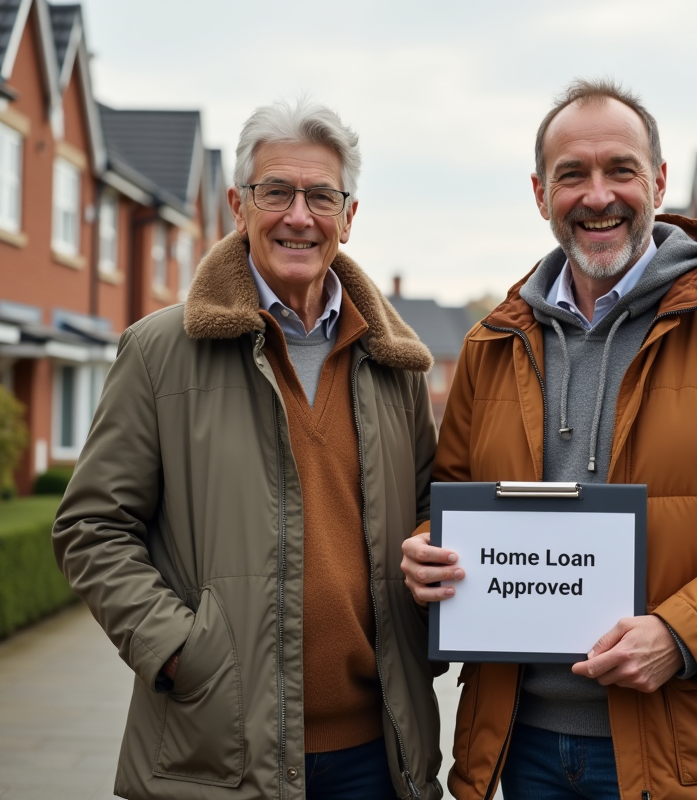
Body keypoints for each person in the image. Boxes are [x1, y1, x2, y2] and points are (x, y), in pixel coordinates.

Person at [401, 79, 697, 800]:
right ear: (541, 194)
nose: (598, 195)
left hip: (685, 744)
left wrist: (681, 635)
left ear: (659, 181)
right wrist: (430, 552)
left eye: (621, 170)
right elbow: (451, 501)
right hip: (523, 744)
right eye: (572, 175)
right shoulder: (491, 343)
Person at [54, 98, 442, 800]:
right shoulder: (159, 353)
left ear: (349, 216)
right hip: (220, 748)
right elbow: (91, 526)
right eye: (276, 192)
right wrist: (178, 650)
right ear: (239, 206)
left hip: (379, 754)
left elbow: (427, 514)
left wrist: (426, 561)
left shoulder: (398, 365)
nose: (299, 215)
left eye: (321, 196)